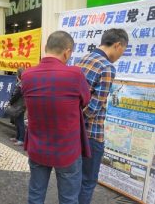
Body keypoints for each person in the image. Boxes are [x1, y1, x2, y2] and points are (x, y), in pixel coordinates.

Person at [21, 31, 91, 204]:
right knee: (68, 198)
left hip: (38, 147)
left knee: (36, 195)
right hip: (67, 149)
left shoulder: (27, 75)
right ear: (67, 52)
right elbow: (85, 101)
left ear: (46, 48)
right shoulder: (75, 75)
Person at [77, 28, 129, 204]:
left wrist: (74, 123)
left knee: (76, 177)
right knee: (88, 180)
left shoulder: (84, 59)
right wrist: (80, 121)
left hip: (74, 133)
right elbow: (95, 105)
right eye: (123, 50)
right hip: (92, 133)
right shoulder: (107, 67)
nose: (121, 55)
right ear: (117, 45)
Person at [8, 67, 26, 146]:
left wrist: (10, 102)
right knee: (18, 122)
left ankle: (21, 139)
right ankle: (18, 137)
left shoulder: (21, 85)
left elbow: (15, 96)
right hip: (20, 105)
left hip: (19, 106)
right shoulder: (22, 83)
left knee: (20, 122)